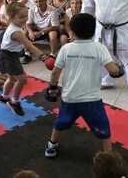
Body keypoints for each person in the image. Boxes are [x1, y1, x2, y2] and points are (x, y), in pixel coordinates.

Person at [44, 13, 123, 158]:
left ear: (72, 32)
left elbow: (55, 73)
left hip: (70, 98)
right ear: (93, 32)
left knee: (61, 121)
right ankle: (109, 156)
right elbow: (113, 70)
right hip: (92, 99)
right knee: (103, 126)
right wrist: (120, 69)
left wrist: (53, 88)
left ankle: (51, 145)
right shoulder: (99, 48)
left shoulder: (66, 49)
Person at [0, 2, 55, 116]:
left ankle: (4, 97)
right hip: (7, 57)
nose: (24, 19)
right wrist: (44, 57)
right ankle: (14, 102)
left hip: (7, 55)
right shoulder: (16, 31)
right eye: (21, 17)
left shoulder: (16, 26)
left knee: (12, 78)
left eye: (26, 16)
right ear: (11, 18)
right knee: (21, 80)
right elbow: (29, 46)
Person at [24, 0, 60, 64]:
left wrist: (42, 33)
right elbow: (28, 24)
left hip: (50, 29)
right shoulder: (31, 10)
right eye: (36, 2)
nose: (38, 3)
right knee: (25, 32)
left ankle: (53, 55)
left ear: (45, 0)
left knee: (53, 34)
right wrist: (30, 32)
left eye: (40, 1)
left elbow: (55, 26)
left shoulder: (53, 10)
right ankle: (27, 54)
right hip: (37, 30)